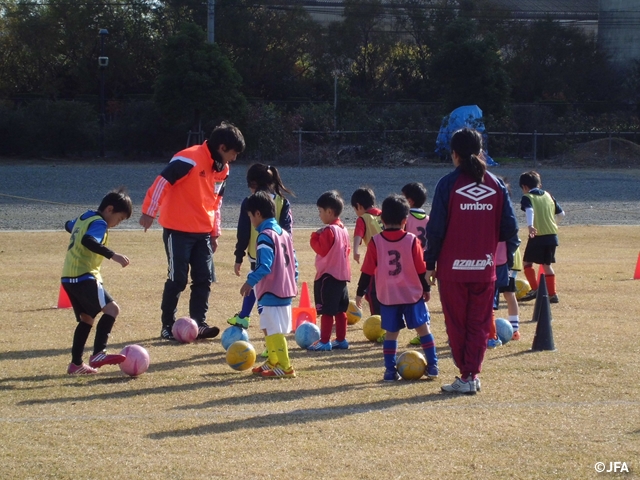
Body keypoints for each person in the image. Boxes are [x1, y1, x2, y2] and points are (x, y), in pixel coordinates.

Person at [425, 128, 519, 395]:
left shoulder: (448, 184)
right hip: (485, 267)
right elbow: (510, 227)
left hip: (452, 269)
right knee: (479, 323)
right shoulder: (497, 185)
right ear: (480, 152)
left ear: (454, 154)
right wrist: (485, 237)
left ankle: (466, 376)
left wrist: (430, 263)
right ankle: (472, 374)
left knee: (457, 324)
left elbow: (436, 229)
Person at [139, 122, 245, 341]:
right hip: (177, 230)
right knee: (177, 279)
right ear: (222, 147)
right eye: (233, 153)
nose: (234, 159)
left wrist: (215, 232)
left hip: (203, 232)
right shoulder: (188, 158)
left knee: (204, 279)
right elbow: (162, 182)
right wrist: (149, 211)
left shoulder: (223, 169)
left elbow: (217, 202)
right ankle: (167, 325)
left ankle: (199, 324)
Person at [356, 194, 438, 382]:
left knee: (391, 334)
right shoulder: (411, 240)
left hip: (388, 296)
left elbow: (367, 271)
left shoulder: (376, 242)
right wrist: (427, 289)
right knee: (423, 329)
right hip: (411, 294)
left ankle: (390, 371)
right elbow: (420, 269)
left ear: (382, 220)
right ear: (405, 220)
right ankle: (433, 366)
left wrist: (360, 292)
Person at [61, 188, 132, 374]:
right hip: (84, 276)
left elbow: (68, 225)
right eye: (120, 218)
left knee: (87, 319)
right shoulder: (100, 223)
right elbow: (88, 240)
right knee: (112, 309)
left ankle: (76, 365)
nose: (117, 223)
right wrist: (113, 255)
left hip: (69, 277)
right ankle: (99, 353)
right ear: (109, 209)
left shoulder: (85, 217)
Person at [227, 164, 293, 331]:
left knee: (263, 292)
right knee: (258, 286)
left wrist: (238, 256)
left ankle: (267, 334)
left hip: (258, 253)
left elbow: (242, 231)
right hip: (279, 256)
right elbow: (288, 231)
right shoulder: (283, 202)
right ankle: (243, 316)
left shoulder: (250, 202)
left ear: (253, 184)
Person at [240, 191, 298, 378]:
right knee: (267, 326)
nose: (250, 220)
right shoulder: (283, 233)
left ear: (257, 214)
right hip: (282, 289)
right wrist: (291, 281)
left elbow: (265, 265)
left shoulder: (265, 235)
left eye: (250, 216)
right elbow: (294, 263)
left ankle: (285, 366)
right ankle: (273, 361)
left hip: (273, 290)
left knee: (275, 330)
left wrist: (249, 282)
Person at [307, 190, 351, 351]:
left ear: (329, 212)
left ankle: (324, 341)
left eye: (320, 211)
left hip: (328, 276)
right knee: (340, 310)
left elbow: (320, 249)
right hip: (342, 276)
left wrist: (314, 236)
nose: (319, 215)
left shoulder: (329, 231)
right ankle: (341, 339)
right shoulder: (344, 230)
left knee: (327, 311)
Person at [518, 171, 565, 303]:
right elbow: (562, 214)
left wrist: (530, 225)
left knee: (527, 262)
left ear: (524, 187)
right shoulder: (549, 196)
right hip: (552, 235)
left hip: (538, 235)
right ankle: (552, 294)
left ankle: (535, 289)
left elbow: (529, 210)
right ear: (539, 184)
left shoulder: (527, 197)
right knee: (547, 264)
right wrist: (553, 224)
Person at [401, 182, 429, 346]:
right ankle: (425, 329)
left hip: (411, 264)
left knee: (413, 298)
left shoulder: (406, 219)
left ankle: (422, 331)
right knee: (422, 297)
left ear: (409, 201)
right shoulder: (428, 219)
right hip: (426, 264)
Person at [350, 187, 383, 317]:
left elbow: (358, 234)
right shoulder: (383, 214)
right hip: (392, 255)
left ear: (358, 206)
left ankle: (378, 319)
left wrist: (356, 250)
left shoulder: (363, 218)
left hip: (375, 259)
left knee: (372, 291)